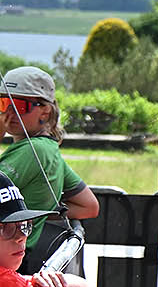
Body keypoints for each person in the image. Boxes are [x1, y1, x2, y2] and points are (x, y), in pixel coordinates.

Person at [0, 66, 99, 274]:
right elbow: (89, 206)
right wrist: (40, 211)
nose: (9, 113)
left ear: (45, 111)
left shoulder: (34, 150)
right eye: (4, 103)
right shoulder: (49, 149)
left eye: (20, 105)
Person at [0, 178, 103, 287]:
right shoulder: (5, 284)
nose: (21, 237)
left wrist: (36, 283)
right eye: (4, 228)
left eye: (24, 225)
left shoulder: (7, 281)